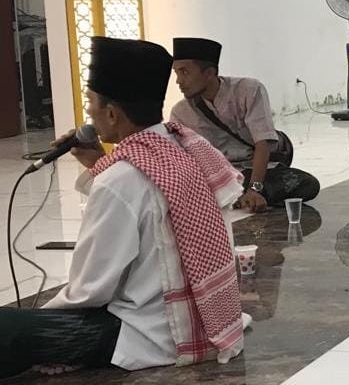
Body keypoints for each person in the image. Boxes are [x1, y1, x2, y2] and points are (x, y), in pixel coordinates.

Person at [0, 37, 245, 377]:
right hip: (207, 320)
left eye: (91, 102)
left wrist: (39, 317)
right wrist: (99, 164)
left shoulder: (120, 179)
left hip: (145, 333)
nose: (88, 112)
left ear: (112, 113)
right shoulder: (189, 148)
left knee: (8, 329)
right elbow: (146, 209)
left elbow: (90, 291)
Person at [169, 37, 320, 213]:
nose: (179, 81)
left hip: (256, 170)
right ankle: (239, 196)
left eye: (184, 72)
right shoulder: (180, 112)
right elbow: (181, 161)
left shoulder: (248, 90)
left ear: (209, 73)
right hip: (220, 177)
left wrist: (255, 188)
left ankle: (245, 196)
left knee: (308, 183)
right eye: (176, 73)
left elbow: (263, 143)